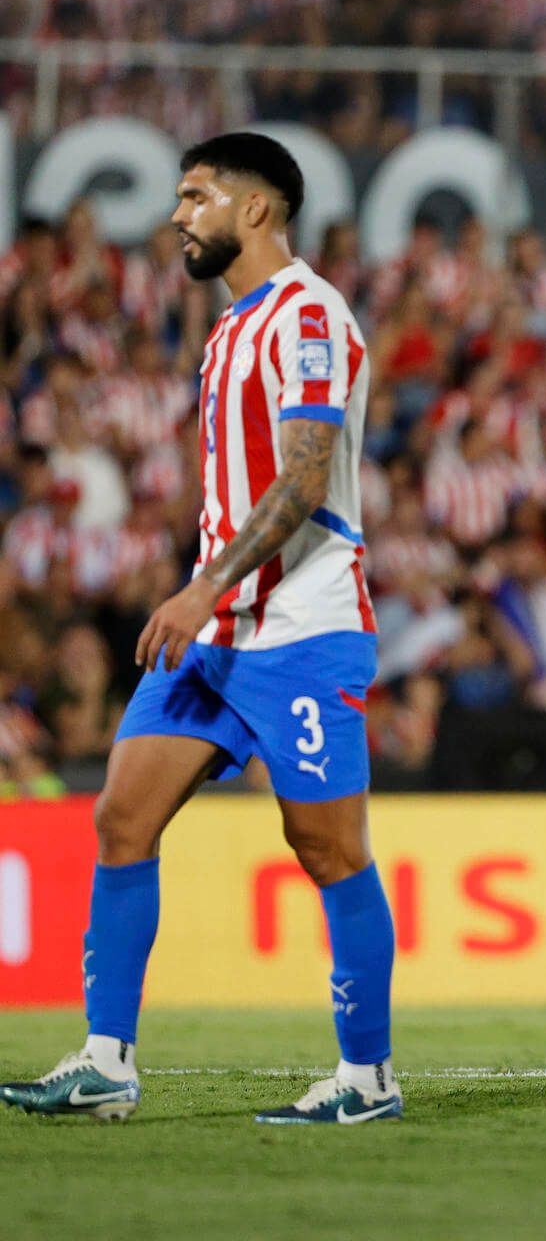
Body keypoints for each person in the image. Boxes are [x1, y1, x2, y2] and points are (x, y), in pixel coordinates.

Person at [0, 133, 399, 1126]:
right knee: (121, 815)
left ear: (255, 209)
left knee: (328, 846)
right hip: (219, 631)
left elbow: (304, 481)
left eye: (196, 196)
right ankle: (106, 1058)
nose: (178, 215)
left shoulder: (309, 312)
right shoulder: (230, 329)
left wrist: (201, 583)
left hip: (302, 625)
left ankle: (368, 1077)